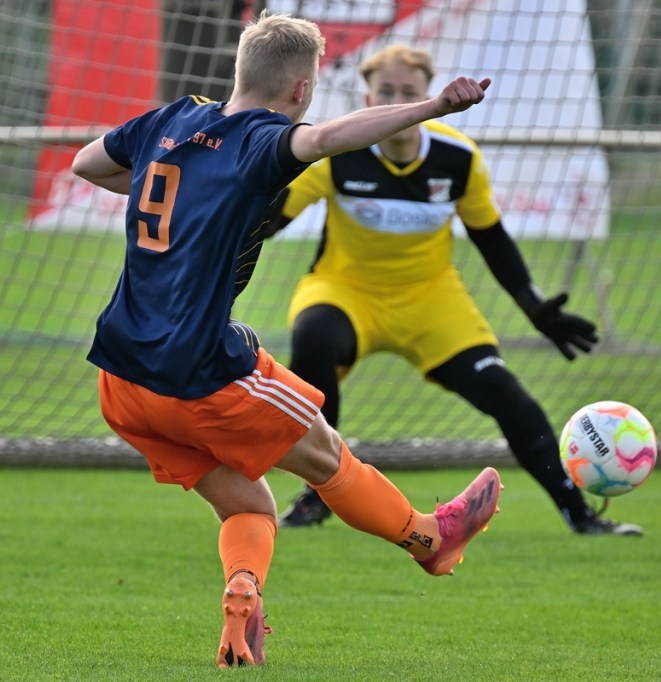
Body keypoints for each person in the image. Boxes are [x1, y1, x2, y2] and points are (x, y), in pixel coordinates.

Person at [71, 12, 501, 670]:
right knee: (328, 458)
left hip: (122, 380)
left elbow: (86, 162)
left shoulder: (172, 119)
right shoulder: (262, 140)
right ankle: (428, 538)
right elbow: (326, 138)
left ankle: (243, 595)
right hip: (200, 372)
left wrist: (190, 192)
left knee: (248, 503)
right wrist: (433, 107)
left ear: (238, 71)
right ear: (301, 90)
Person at [269, 45, 640, 537]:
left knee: (506, 394)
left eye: (408, 91)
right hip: (345, 291)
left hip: (431, 300)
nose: (397, 99)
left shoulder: (458, 157)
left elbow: (491, 238)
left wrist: (534, 306)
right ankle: (320, 493)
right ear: (368, 98)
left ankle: (581, 514)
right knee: (313, 340)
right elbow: (269, 220)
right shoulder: (338, 150)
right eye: (385, 91)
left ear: (427, 96)